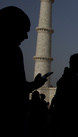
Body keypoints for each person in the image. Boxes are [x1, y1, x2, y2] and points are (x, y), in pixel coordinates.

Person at [0, 6, 47, 136]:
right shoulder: (12, 51)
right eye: (24, 30)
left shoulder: (15, 50)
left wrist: (34, 84)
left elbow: (15, 86)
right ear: (10, 26)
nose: (26, 36)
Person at [53, 53, 78, 136]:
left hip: (69, 119)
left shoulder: (71, 77)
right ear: (77, 64)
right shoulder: (69, 79)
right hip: (68, 120)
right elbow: (69, 101)